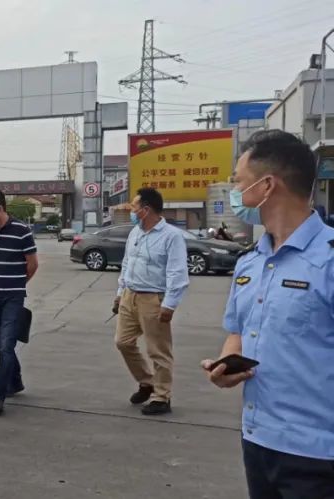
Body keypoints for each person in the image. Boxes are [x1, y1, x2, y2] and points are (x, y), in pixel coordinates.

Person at [201, 130, 334, 498]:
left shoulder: (329, 260)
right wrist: (227, 364)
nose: (234, 191)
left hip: (318, 454)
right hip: (258, 441)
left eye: (238, 181)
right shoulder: (250, 262)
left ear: (267, 185)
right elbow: (238, 331)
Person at [113, 187, 189, 416]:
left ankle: (162, 397)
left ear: (146, 210)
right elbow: (127, 263)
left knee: (158, 350)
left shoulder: (172, 236)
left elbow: (177, 272)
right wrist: (120, 292)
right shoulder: (135, 233)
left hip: (153, 298)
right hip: (130, 295)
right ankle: (147, 382)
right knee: (123, 342)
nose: (131, 211)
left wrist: (170, 304)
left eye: (134, 207)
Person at [0, 190, 38, 416]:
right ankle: (16, 380)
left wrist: (18, 283)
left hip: (13, 297)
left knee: (5, 345)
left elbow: (32, 264)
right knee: (1, 345)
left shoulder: (22, 230)